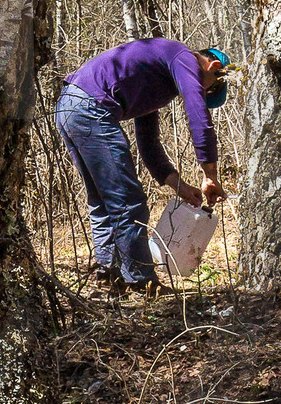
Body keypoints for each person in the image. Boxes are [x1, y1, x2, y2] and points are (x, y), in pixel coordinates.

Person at [55, 40, 231, 294]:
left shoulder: (157, 74)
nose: (199, 92)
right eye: (208, 89)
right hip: (91, 108)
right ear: (212, 66)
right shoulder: (183, 58)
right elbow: (198, 116)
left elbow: (148, 143)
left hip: (71, 106)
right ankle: (141, 282)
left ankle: (110, 278)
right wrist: (210, 175)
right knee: (128, 201)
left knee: (105, 202)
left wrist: (178, 185)